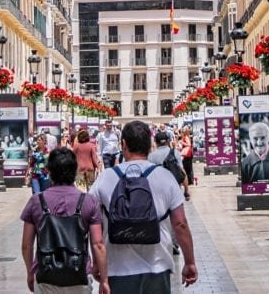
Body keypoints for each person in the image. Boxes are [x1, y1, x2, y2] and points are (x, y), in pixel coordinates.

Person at [90, 121, 197, 291]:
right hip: (157, 267)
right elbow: (180, 224)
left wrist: (96, 263)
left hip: (117, 269)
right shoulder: (165, 177)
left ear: (123, 144)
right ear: (150, 145)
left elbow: (93, 224)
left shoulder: (105, 179)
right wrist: (189, 262)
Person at [20, 147, 109, 294]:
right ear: (75, 171)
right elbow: (98, 244)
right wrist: (104, 279)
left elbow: (26, 245)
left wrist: (30, 272)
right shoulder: (88, 201)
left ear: (49, 171)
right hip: (79, 275)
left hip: (45, 277)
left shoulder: (36, 201)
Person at [177, 127, 194, 199]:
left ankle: (189, 181)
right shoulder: (185, 137)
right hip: (187, 155)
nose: (181, 132)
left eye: (183, 131)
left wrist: (182, 142)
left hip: (187, 155)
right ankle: (189, 181)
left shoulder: (186, 137)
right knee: (186, 167)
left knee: (185, 168)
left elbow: (189, 145)